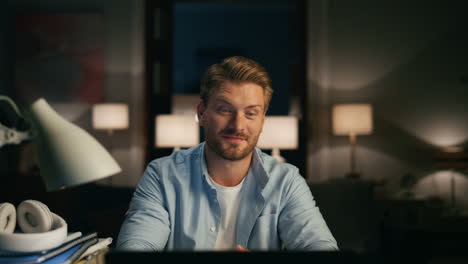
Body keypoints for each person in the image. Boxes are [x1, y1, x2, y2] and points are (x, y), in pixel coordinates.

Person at [116, 56, 338, 251]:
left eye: (251, 113)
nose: (238, 125)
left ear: (262, 121)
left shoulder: (286, 181)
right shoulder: (162, 175)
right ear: (202, 113)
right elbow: (136, 248)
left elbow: (321, 251)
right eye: (224, 110)